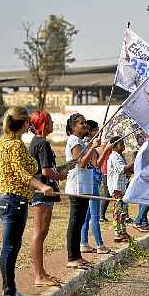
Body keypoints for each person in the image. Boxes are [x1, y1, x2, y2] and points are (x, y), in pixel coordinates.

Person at [0, 106, 54, 296]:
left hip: (4, 199)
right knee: (10, 248)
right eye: (28, 122)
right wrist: (43, 186)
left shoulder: (3, 142)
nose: (30, 126)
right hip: (14, 201)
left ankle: (9, 292)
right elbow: (24, 174)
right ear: (24, 123)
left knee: (11, 247)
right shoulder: (15, 146)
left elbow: (25, 169)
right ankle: (8, 295)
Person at [29, 111, 67, 288]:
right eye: (50, 121)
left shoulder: (36, 143)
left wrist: (62, 169)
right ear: (43, 125)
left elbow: (46, 168)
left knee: (41, 234)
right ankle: (39, 275)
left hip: (43, 193)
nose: (52, 123)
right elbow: (46, 172)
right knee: (39, 234)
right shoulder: (42, 143)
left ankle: (41, 273)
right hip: (43, 194)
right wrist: (59, 175)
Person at [65, 113, 100, 270]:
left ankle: (77, 256)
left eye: (85, 122)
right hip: (77, 187)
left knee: (79, 222)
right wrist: (92, 147)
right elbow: (81, 164)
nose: (85, 125)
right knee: (75, 222)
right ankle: (72, 257)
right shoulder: (73, 140)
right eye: (81, 123)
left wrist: (93, 145)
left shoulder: (81, 141)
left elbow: (94, 163)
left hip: (84, 187)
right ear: (73, 127)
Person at [80, 120, 112, 254]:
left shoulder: (84, 143)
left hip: (88, 181)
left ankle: (84, 243)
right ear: (93, 131)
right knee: (94, 215)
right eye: (98, 130)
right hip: (93, 182)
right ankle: (100, 244)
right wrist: (106, 150)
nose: (99, 133)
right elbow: (97, 165)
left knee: (86, 215)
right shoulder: (90, 145)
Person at [107, 138, 135, 242]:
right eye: (121, 144)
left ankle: (122, 231)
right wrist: (134, 163)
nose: (123, 146)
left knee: (123, 211)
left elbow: (126, 171)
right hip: (116, 188)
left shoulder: (119, 156)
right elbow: (123, 169)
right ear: (114, 146)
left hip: (121, 187)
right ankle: (118, 233)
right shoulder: (114, 156)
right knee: (118, 210)